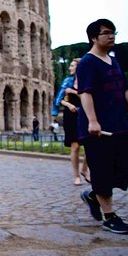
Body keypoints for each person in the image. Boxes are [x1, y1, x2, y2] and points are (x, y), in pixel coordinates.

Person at [77, 18, 128, 235]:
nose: (112, 36)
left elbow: (123, 89)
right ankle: (109, 216)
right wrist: (92, 120)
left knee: (127, 162)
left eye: (113, 32)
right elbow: (85, 92)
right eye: (106, 33)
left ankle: (93, 195)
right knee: (102, 169)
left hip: (118, 122)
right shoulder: (87, 63)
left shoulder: (113, 61)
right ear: (93, 37)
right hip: (98, 127)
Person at [54, 58, 90, 186]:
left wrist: (74, 91)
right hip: (71, 115)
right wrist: (68, 105)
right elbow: (60, 100)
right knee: (75, 147)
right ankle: (76, 176)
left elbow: (89, 97)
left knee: (90, 146)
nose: (69, 68)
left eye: (72, 66)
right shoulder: (67, 81)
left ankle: (85, 169)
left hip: (86, 114)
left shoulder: (88, 81)